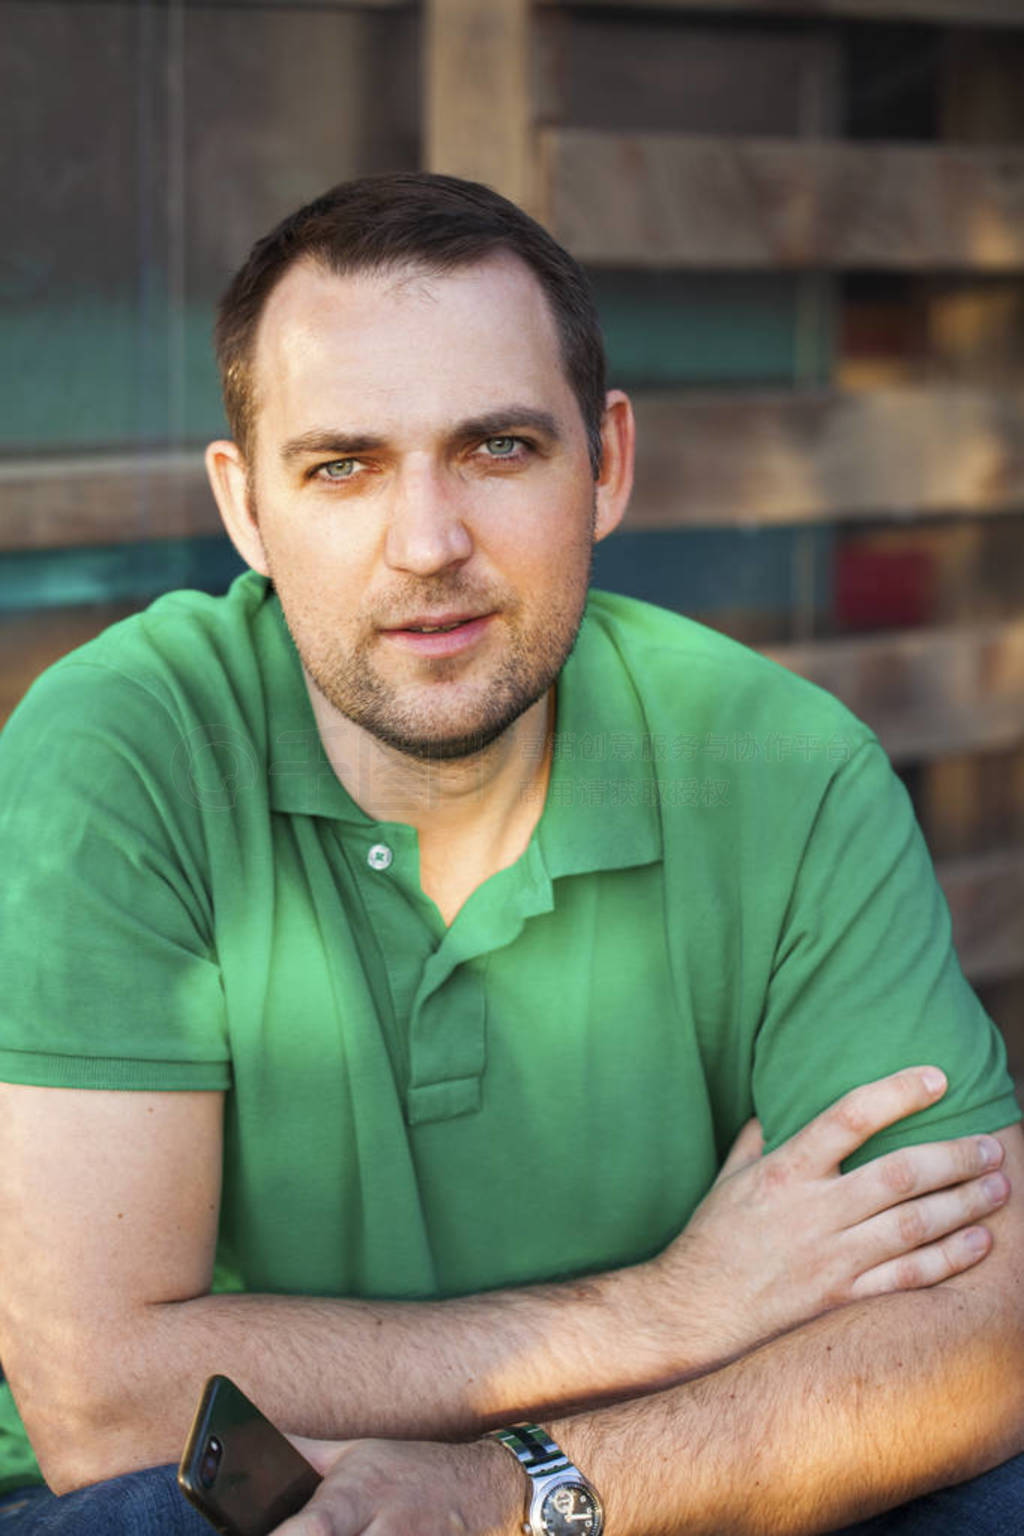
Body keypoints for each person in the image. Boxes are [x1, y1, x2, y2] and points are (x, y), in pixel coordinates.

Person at [0, 172, 1021, 1536]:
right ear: (246, 510)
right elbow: (106, 1408)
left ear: (605, 463)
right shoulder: (123, 749)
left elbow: (984, 1323)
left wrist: (517, 1495)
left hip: (634, 1490)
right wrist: (667, 1311)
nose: (428, 546)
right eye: (343, 465)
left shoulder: (781, 763)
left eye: (496, 449)